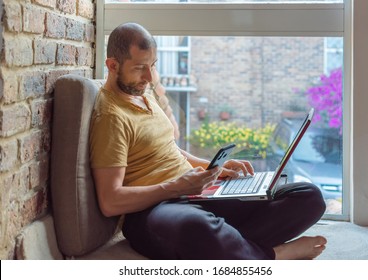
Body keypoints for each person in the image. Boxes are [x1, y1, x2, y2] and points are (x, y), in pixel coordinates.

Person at [89, 22, 327, 260]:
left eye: (152, 65)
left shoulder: (143, 94)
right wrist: (175, 187)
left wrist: (214, 169)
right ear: (113, 65)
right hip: (152, 211)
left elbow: (169, 149)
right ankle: (273, 255)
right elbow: (110, 201)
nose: (149, 77)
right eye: (140, 68)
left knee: (308, 196)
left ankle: (226, 248)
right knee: (196, 225)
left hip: (194, 195)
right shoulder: (111, 116)